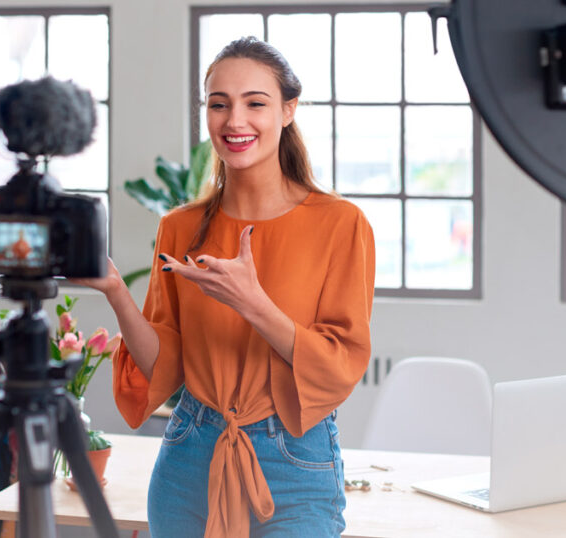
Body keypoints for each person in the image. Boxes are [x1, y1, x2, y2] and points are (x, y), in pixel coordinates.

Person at [72, 36, 375, 537]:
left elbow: (339, 363)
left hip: (295, 460)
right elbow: (163, 368)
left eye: (255, 103)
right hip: (190, 453)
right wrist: (114, 292)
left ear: (287, 110)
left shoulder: (340, 224)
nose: (235, 121)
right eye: (219, 105)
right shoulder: (180, 227)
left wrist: (254, 305)